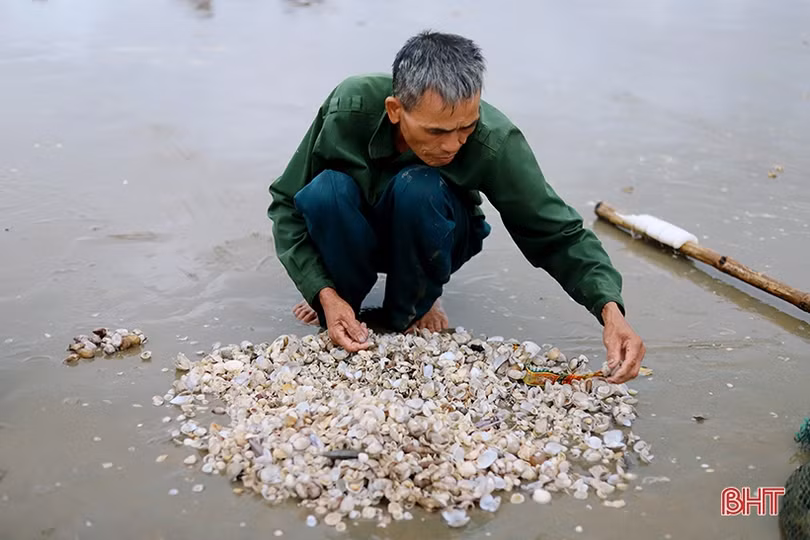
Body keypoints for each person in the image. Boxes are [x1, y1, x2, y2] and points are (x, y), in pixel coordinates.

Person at [268, 30, 646, 383]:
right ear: (396, 110)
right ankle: (340, 303)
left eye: (465, 127)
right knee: (324, 193)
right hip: (356, 231)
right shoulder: (347, 107)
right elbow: (287, 204)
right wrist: (323, 291)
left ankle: (414, 305)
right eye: (437, 131)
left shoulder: (495, 139)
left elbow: (556, 233)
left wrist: (609, 310)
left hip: (436, 230)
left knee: (419, 188)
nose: (452, 145)